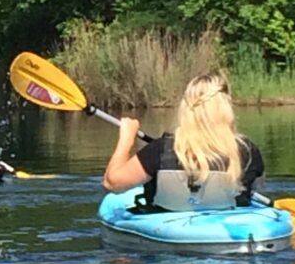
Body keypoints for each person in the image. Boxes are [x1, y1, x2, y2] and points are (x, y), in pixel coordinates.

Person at [102, 72, 264, 209]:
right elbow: (254, 187)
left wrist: (126, 138)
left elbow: (112, 184)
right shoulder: (248, 151)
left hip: (166, 231)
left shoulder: (161, 149)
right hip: (231, 233)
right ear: (226, 109)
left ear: (186, 108)